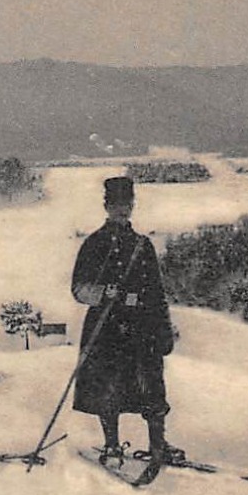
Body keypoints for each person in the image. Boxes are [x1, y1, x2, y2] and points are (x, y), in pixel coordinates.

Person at [71, 175, 180, 465]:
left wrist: (164, 328)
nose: (123, 210)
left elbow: (157, 291)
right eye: (117, 205)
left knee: (151, 385)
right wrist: (105, 293)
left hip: (141, 327)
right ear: (106, 207)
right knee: (109, 386)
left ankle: (158, 445)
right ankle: (112, 446)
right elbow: (79, 289)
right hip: (105, 328)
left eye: (127, 204)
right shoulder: (94, 244)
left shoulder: (143, 245)